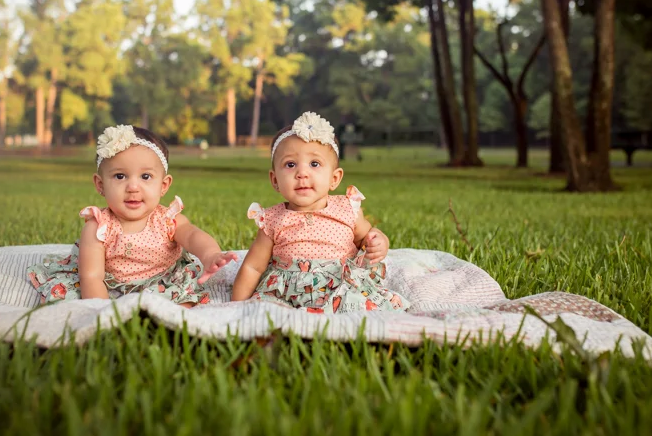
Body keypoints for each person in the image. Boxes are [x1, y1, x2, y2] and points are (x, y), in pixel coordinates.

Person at [27, 124, 237, 307]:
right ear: (100, 185)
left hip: (163, 282)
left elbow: (192, 235)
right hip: (109, 286)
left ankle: (164, 321)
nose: (133, 187)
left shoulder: (167, 219)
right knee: (70, 299)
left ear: (163, 186)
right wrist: (103, 312)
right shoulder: (98, 227)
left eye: (146, 176)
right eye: (120, 176)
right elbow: (91, 276)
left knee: (184, 302)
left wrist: (210, 255)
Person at [231, 112, 409, 313]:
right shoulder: (272, 220)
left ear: (334, 179)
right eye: (290, 165)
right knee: (266, 312)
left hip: (340, 286)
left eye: (314, 164)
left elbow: (367, 237)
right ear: (275, 180)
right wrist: (237, 307)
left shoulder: (347, 209)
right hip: (288, 292)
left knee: (364, 308)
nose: (302, 173)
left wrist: (379, 242)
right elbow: (253, 267)